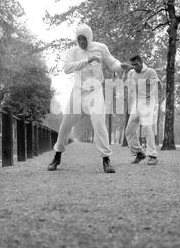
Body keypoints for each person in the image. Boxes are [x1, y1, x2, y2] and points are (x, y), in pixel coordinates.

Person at [47, 24, 131, 173]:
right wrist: (86, 61)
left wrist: (120, 67)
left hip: (95, 91)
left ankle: (106, 160)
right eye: (78, 39)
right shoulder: (73, 51)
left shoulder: (101, 48)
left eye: (84, 39)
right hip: (78, 91)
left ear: (89, 38)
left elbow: (112, 62)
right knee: (65, 125)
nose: (81, 42)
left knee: (99, 122)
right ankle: (57, 156)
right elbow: (66, 68)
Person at [125, 55, 160, 165]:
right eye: (133, 65)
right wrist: (125, 71)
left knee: (146, 127)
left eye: (136, 64)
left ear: (141, 62)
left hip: (149, 101)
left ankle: (152, 155)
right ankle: (139, 153)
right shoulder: (131, 73)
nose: (134, 66)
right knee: (129, 130)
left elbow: (157, 86)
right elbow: (126, 83)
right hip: (137, 102)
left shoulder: (150, 71)